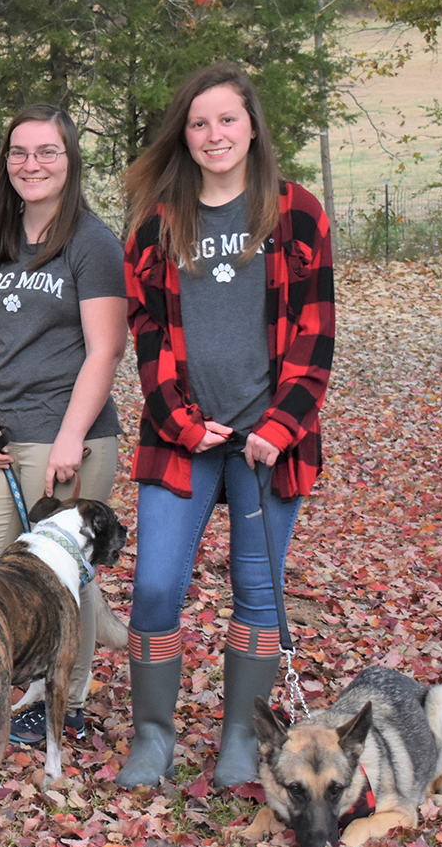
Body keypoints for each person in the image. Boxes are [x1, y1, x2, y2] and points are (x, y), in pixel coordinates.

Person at [114, 63, 334, 789]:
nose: (214, 135)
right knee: (153, 588)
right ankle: (153, 737)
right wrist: (176, 416)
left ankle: (240, 737)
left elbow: (315, 334)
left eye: (227, 120)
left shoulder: (297, 213)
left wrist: (283, 425)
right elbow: (145, 329)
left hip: (269, 443)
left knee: (258, 591)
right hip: (182, 439)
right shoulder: (157, 223)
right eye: (200, 122)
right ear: (186, 132)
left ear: (252, 128)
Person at [0, 102, 126, 744]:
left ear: (70, 160)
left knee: (62, 582)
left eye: (47, 151)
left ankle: (64, 707)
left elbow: (105, 348)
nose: (32, 164)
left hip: (68, 435)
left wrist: (72, 437)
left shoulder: (92, 242)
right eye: (19, 153)